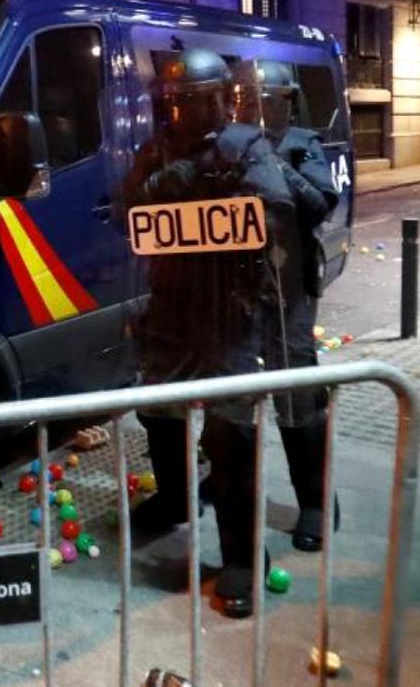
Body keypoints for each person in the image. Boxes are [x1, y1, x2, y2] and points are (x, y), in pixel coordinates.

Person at [125, 49, 293, 618]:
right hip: (172, 309)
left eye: (196, 102)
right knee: (158, 414)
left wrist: (207, 186)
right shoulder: (157, 150)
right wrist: (162, 182)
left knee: (230, 437)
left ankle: (243, 557)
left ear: (221, 99)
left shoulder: (247, 146)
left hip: (229, 314)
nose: (186, 113)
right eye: (177, 104)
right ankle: (174, 498)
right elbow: (128, 204)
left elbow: (277, 211)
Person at [232, 59, 341, 551]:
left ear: (284, 100)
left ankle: (315, 502)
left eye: (260, 100)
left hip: (290, 287)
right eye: (244, 101)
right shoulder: (230, 143)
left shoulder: (300, 143)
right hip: (238, 289)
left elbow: (321, 204)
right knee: (233, 398)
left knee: (296, 392)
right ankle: (226, 482)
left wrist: (273, 168)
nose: (251, 109)